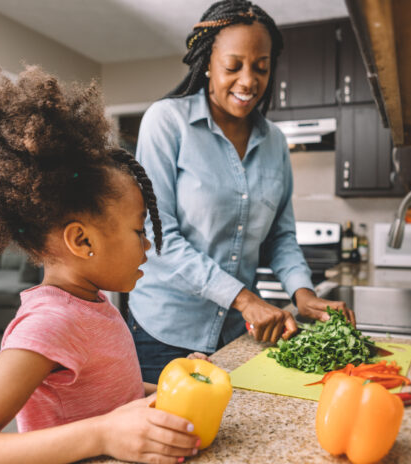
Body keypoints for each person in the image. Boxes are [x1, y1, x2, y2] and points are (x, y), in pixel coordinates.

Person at [0, 66, 203, 464]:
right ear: (82, 240)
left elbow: (107, 394)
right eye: (139, 231)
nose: (148, 245)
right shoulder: (50, 323)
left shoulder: (93, 304)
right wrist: (102, 435)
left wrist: (171, 390)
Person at [129, 0, 355, 383]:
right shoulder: (167, 123)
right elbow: (159, 233)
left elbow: (281, 237)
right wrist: (245, 299)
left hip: (236, 336)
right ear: (207, 63)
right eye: (233, 66)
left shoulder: (275, 143)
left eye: (261, 67)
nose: (248, 81)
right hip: (164, 333)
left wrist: (303, 292)